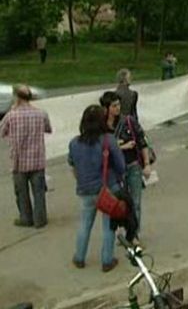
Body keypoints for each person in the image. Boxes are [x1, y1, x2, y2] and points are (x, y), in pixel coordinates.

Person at [69, 105, 126, 272]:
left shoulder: (74, 143)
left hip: (85, 189)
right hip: (107, 189)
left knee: (85, 224)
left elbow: (72, 164)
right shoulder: (108, 140)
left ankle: (79, 257)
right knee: (109, 226)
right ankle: (107, 260)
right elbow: (121, 166)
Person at [0, 85, 52, 228]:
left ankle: (26, 218)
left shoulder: (11, 115)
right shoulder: (41, 113)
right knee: (39, 192)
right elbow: (48, 128)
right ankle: (40, 219)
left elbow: (1, 131)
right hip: (37, 160)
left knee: (22, 193)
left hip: (18, 161)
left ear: (16, 97)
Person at [100, 91, 152, 233]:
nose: (117, 108)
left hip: (133, 165)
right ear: (106, 108)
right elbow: (100, 149)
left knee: (135, 202)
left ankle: (134, 234)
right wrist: (120, 146)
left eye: (118, 105)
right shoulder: (101, 127)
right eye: (114, 105)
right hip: (115, 171)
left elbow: (142, 141)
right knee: (119, 204)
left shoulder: (128, 121)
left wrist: (147, 164)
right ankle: (122, 231)